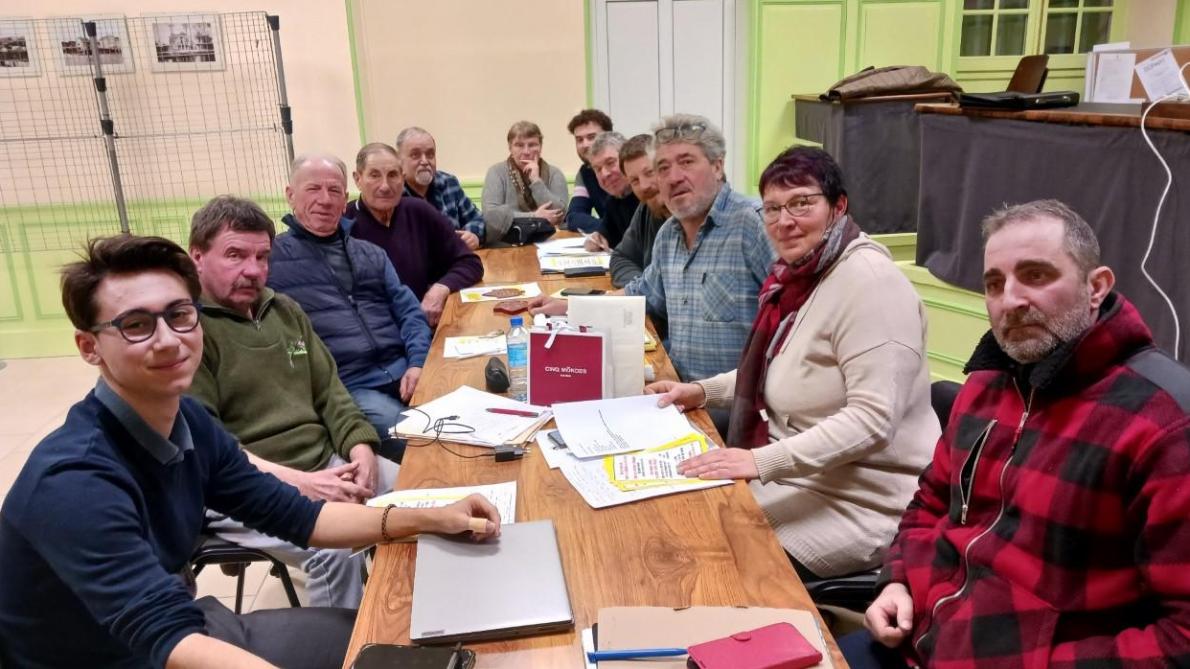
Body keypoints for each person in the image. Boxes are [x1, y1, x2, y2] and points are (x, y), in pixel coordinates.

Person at [0, 234, 500, 669]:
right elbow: (165, 636)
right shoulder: (73, 481)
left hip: (183, 629)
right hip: (119, 656)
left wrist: (432, 517)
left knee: (388, 640)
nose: (169, 340)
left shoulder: (187, 421)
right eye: (136, 325)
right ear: (90, 347)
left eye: (179, 316)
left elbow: (301, 518)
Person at [845, 200, 1190, 668]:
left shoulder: (1163, 424)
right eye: (994, 283)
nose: (1010, 299)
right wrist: (897, 580)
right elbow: (928, 501)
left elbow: (1181, 638)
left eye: (1036, 275)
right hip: (921, 639)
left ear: (1096, 287)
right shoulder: (986, 386)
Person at [646, 147, 937, 579]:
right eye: (773, 209)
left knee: (706, 562)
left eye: (802, 203)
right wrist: (703, 391)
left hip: (862, 502)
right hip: (802, 478)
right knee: (679, 520)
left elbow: (873, 420)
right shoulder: (803, 276)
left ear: (838, 206)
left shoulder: (871, 285)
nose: (785, 221)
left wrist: (760, 462)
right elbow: (778, 369)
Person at [187, 195, 396, 609]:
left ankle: (403, 614)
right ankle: (341, 648)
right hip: (246, 486)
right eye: (235, 255)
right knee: (336, 547)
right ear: (197, 256)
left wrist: (362, 449)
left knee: (422, 492)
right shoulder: (188, 332)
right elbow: (211, 451)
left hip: (327, 465)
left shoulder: (285, 310)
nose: (253, 270)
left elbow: (331, 392)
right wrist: (303, 483)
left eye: (262, 257)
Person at [267, 154, 432, 444]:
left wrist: (418, 362)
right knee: (419, 438)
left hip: (407, 370)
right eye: (313, 189)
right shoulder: (271, 262)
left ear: (345, 199)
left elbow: (410, 314)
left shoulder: (370, 254)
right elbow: (282, 342)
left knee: (469, 421)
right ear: (290, 195)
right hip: (349, 388)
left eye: (334, 191)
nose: (325, 200)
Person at [345, 143, 483, 327]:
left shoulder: (418, 211)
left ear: (402, 178)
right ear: (357, 179)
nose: (385, 186)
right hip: (374, 333)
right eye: (374, 175)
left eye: (393, 175)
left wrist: (440, 289)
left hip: (424, 324)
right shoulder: (344, 223)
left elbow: (470, 262)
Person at [396, 126, 486, 250]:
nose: (425, 161)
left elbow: (477, 218)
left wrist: (473, 235)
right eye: (415, 155)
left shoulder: (449, 182)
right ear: (399, 161)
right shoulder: (393, 193)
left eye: (430, 154)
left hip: (457, 261)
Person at [482, 121, 568, 239]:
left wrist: (536, 181)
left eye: (532, 145)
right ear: (510, 148)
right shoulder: (496, 172)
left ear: (540, 147)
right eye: (519, 145)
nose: (526, 152)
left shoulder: (555, 173)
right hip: (507, 243)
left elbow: (560, 214)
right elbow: (491, 214)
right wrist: (534, 216)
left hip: (549, 241)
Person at [609, 133, 670, 289]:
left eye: (649, 173)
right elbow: (621, 258)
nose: (644, 186)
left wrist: (643, 291)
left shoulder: (691, 214)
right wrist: (642, 289)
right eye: (634, 180)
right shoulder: (646, 208)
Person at [581, 131, 639, 252]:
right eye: (597, 169)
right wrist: (596, 238)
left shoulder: (647, 199)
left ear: (627, 159)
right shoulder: (613, 199)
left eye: (610, 163)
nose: (605, 174)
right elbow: (605, 235)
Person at [565, 108, 614, 233]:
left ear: (609, 137)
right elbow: (573, 216)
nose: (585, 144)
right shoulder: (585, 172)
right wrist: (608, 230)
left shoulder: (626, 166)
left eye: (591, 137)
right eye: (579, 140)